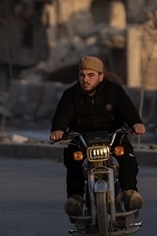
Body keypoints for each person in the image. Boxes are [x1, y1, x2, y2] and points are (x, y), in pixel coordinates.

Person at [50, 56, 145, 217]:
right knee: (74, 160)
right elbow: (62, 114)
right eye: (82, 75)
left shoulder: (114, 90)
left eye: (90, 75)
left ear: (101, 76)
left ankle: (130, 193)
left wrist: (136, 123)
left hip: (112, 136)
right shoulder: (70, 95)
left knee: (125, 156)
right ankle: (76, 199)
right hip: (82, 139)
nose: (85, 79)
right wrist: (58, 129)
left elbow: (127, 108)